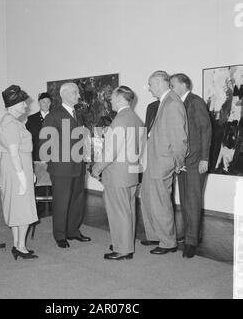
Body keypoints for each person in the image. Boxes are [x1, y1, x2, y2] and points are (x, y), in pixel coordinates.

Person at [91, 86, 143, 260]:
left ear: (120, 98)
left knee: (118, 212)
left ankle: (123, 249)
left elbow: (110, 153)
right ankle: (125, 244)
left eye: (112, 98)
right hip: (131, 174)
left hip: (117, 176)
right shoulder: (135, 118)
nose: (110, 101)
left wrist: (96, 169)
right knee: (128, 211)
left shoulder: (119, 120)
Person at [140, 71, 188, 255]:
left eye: (150, 84)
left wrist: (177, 161)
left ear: (159, 83)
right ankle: (155, 235)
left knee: (160, 201)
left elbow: (179, 138)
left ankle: (168, 242)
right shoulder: (164, 102)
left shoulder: (172, 103)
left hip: (163, 161)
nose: (149, 88)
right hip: (154, 160)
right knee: (148, 197)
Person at [39, 82, 91, 248]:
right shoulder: (53, 116)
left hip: (78, 166)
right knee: (61, 201)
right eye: (75, 93)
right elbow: (45, 144)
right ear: (65, 94)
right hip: (61, 168)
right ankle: (60, 234)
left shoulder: (79, 115)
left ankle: (73, 231)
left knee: (77, 200)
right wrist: (55, 163)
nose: (79, 96)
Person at [170, 73, 212, 258]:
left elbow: (206, 130)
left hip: (196, 161)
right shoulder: (179, 103)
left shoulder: (195, 102)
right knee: (186, 201)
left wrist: (205, 158)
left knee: (193, 200)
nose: (170, 88)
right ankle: (191, 234)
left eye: (172, 85)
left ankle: (191, 242)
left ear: (183, 85)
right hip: (183, 161)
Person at [0, 85, 38, 260]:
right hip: (17, 169)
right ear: (13, 105)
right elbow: (14, 153)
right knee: (24, 209)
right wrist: (22, 178)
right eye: (23, 104)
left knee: (16, 207)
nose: (26, 107)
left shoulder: (10, 121)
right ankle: (21, 247)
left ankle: (17, 245)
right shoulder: (12, 124)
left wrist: (30, 173)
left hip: (16, 167)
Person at [26, 92, 52, 161]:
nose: (46, 104)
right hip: (37, 158)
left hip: (54, 159)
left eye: (48, 102)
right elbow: (27, 140)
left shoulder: (57, 118)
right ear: (38, 103)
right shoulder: (31, 119)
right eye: (43, 102)